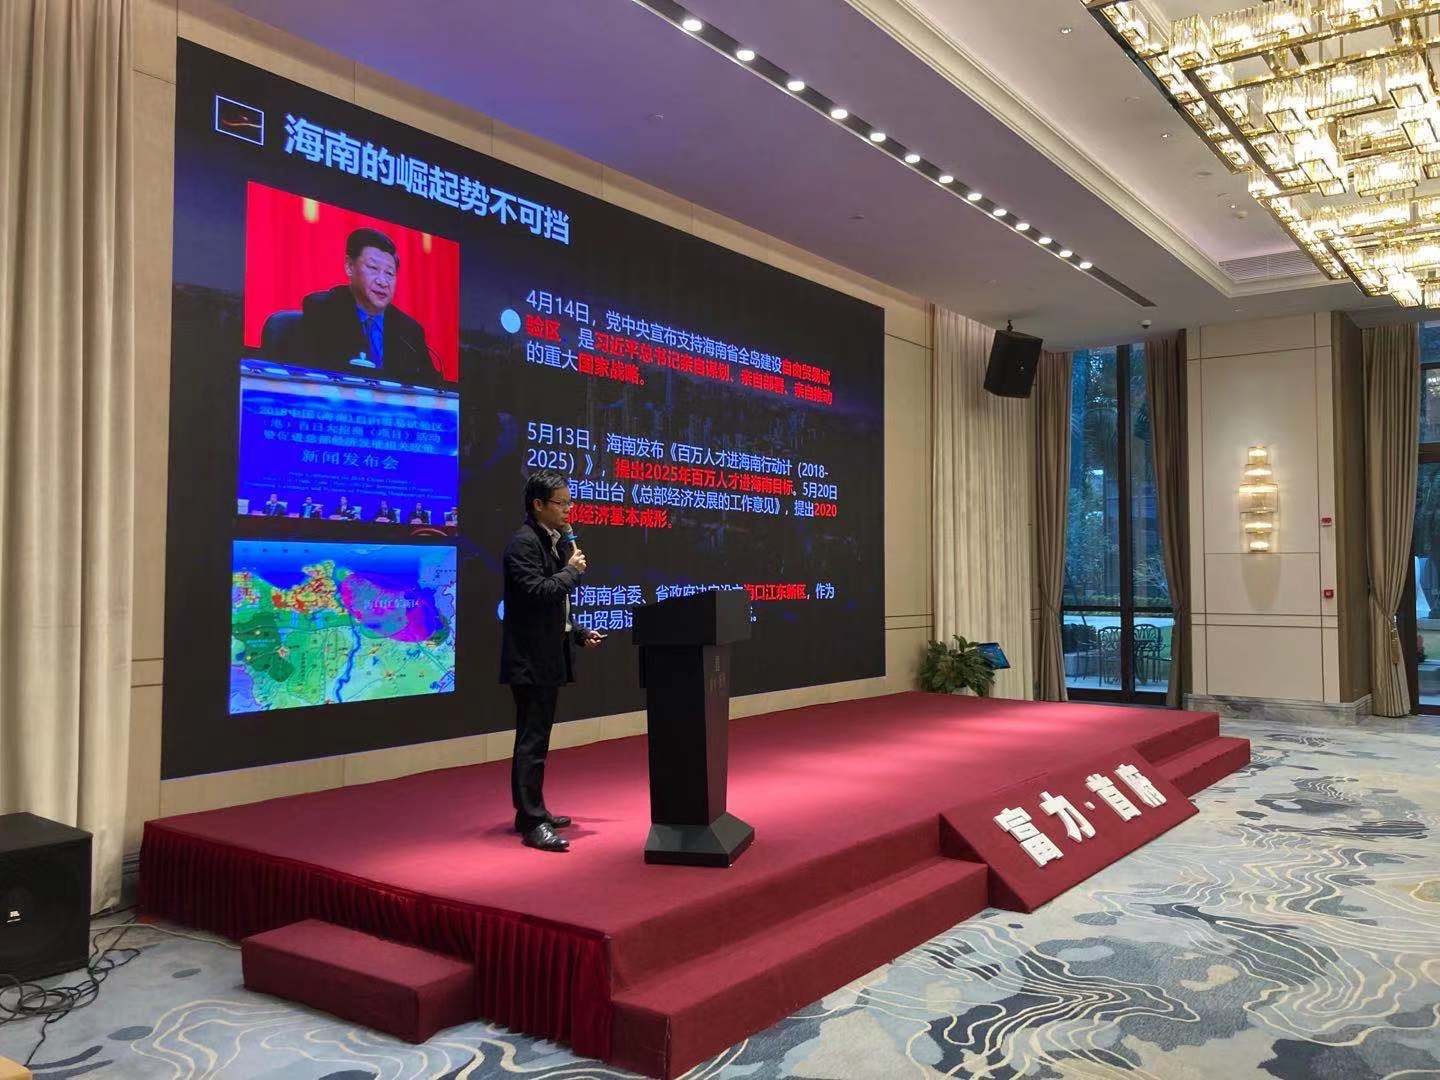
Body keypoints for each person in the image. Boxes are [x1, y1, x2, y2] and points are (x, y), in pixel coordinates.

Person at [501, 470, 604, 852]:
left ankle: (532, 811)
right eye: (561, 503)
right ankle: (532, 822)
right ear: (538, 505)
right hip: (530, 659)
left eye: (569, 502)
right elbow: (537, 592)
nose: (568, 509)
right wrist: (571, 571)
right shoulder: (523, 544)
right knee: (532, 742)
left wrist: (576, 632)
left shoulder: (552, 541)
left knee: (537, 739)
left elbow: (554, 608)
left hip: (548, 655)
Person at [281, 228, 440, 386]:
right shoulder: (323, 309)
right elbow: (305, 375)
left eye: (390, 274)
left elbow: (432, 386)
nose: (382, 282)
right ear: (349, 266)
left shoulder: (408, 331)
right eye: (373, 268)